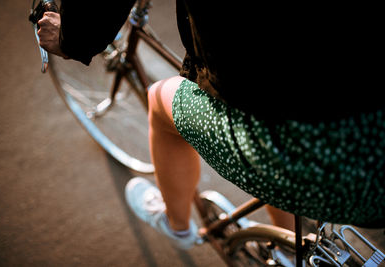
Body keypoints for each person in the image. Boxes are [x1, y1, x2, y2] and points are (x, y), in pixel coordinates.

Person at [38, 0, 384, 250]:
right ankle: (289, 245)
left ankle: (177, 227)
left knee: (162, 98)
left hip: (322, 164)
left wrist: (70, 37)